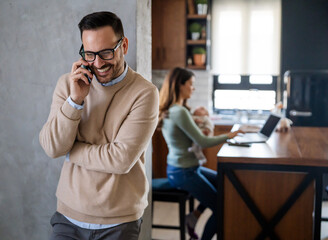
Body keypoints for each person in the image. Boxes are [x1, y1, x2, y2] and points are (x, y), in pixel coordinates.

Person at [39, 11, 159, 240]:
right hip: (68, 217)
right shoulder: (69, 84)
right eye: (90, 54)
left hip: (119, 222)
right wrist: (75, 101)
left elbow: (120, 159)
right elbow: (53, 147)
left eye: (105, 52)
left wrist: (72, 151)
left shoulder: (144, 93)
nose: (98, 63)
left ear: (123, 45)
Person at [158, 67, 244, 240]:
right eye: (191, 84)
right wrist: (229, 135)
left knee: (224, 182)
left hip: (187, 168)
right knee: (221, 208)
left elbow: (195, 135)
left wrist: (200, 120)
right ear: (180, 85)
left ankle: (194, 216)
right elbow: (203, 142)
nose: (193, 88)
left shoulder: (178, 110)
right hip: (183, 172)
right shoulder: (179, 112)